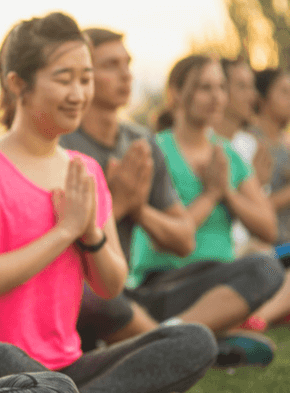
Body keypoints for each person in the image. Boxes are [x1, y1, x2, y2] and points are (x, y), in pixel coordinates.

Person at [0, 13, 217, 393]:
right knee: (1, 356)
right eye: (64, 79)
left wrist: (89, 234)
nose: (79, 94)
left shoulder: (85, 173)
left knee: (193, 341)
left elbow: (111, 285)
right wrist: (64, 230)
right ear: (18, 84)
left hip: (66, 366)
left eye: (85, 79)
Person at [129, 54, 284, 367]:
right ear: (177, 92)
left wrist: (227, 191)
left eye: (220, 88)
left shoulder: (227, 155)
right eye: (204, 88)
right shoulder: (153, 151)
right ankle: (178, 339)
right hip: (165, 282)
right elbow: (166, 239)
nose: (217, 97)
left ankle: (183, 339)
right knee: (262, 268)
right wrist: (212, 194)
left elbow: (268, 228)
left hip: (220, 284)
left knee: (266, 267)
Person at [59, 28, 196, 350]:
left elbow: (185, 240)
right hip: (83, 293)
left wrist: (139, 209)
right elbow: (57, 253)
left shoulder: (141, 143)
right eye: (111, 65)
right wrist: (117, 204)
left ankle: (159, 337)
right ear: (83, 75)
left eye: (127, 63)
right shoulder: (60, 144)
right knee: (92, 296)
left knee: (259, 269)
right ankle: (178, 346)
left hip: (127, 291)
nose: (126, 75)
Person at [236, 68, 290, 331]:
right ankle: (260, 319)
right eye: (284, 92)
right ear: (263, 99)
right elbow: (251, 209)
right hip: (272, 248)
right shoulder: (249, 143)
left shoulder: (287, 144)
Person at [214, 58, 273, 258]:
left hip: (251, 249)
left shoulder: (250, 146)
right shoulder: (202, 145)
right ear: (220, 92)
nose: (253, 95)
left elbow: (266, 225)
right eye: (242, 87)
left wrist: (257, 185)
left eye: (252, 87)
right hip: (216, 254)